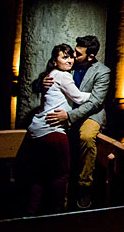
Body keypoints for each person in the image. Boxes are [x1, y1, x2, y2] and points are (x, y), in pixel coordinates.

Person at [23, 44, 90, 214]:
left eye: (71, 57)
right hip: (53, 133)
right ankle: (56, 219)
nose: (69, 60)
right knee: (60, 177)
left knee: (38, 178)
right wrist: (98, 95)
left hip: (36, 132)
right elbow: (79, 97)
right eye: (64, 57)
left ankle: (31, 219)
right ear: (55, 61)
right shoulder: (63, 76)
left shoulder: (51, 74)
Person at [44, 35, 110, 209]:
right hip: (67, 111)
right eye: (75, 50)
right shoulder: (69, 65)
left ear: (91, 56)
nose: (73, 54)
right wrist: (41, 84)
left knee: (87, 137)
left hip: (91, 115)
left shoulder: (103, 71)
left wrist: (70, 116)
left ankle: (84, 187)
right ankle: (54, 189)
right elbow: (45, 78)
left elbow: (95, 102)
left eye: (78, 53)